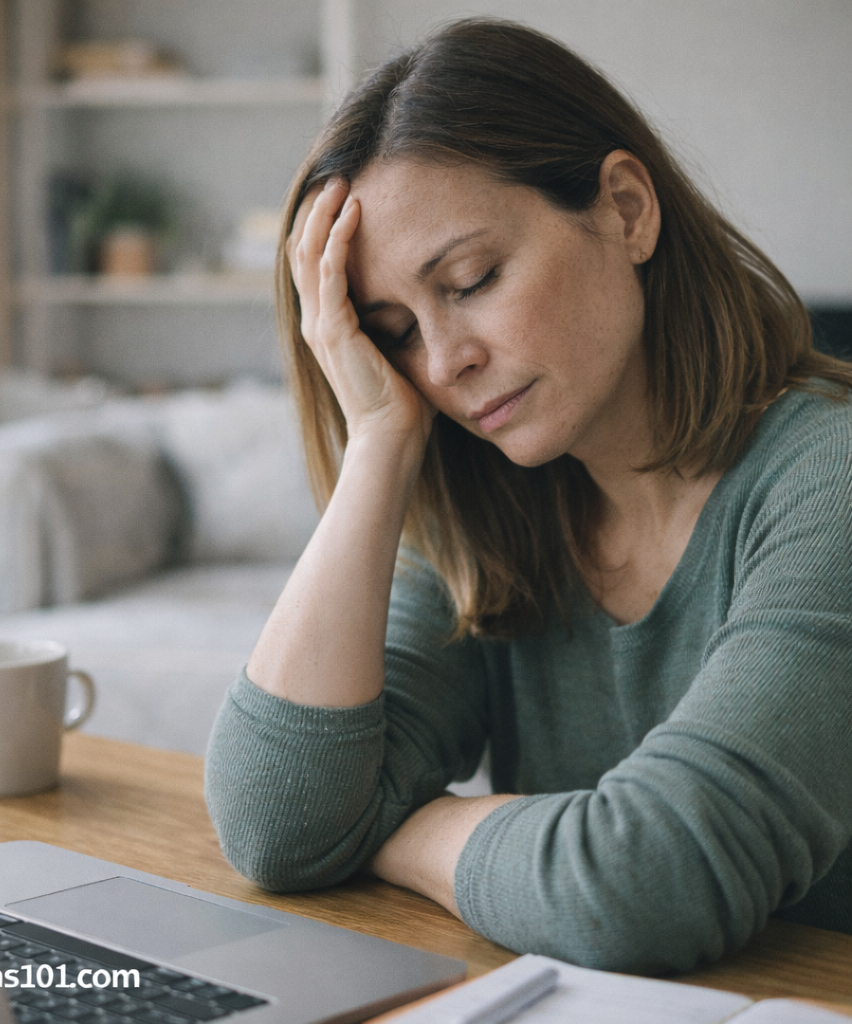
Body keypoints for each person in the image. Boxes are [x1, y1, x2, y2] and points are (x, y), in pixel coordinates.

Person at [204, 18, 852, 973]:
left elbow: (640, 888)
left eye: (473, 280)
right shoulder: (495, 503)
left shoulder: (828, 484)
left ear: (627, 209)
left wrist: (401, 829)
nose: (445, 361)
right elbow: (277, 824)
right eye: (391, 332)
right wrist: (382, 443)